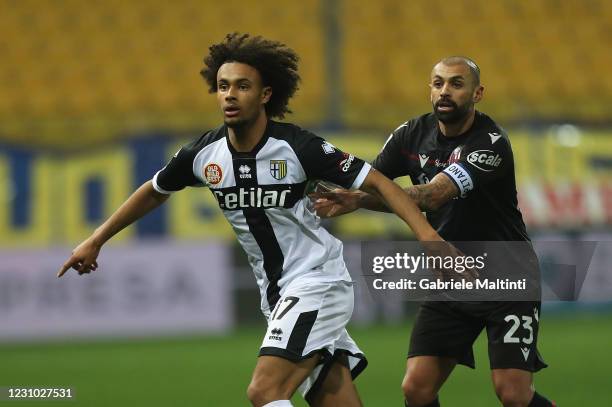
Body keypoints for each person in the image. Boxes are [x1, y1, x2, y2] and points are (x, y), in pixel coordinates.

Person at [57, 33, 447, 407]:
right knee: (333, 398)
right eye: (223, 85)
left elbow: (378, 181)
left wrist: (427, 235)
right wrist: (97, 239)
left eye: (242, 86)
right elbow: (155, 189)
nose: (229, 94)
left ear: (265, 95)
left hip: (317, 282)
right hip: (276, 295)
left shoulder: (297, 147)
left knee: (264, 391)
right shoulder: (203, 154)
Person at [312, 57, 555, 407]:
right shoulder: (411, 134)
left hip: (508, 275)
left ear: (477, 93)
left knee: (513, 394)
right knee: (416, 388)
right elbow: (374, 184)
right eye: (438, 83)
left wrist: (359, 200)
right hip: (452, 273)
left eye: (456, 84)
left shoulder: (490, 144)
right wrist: (354, 196)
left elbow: (432, 195)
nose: (445, 91)